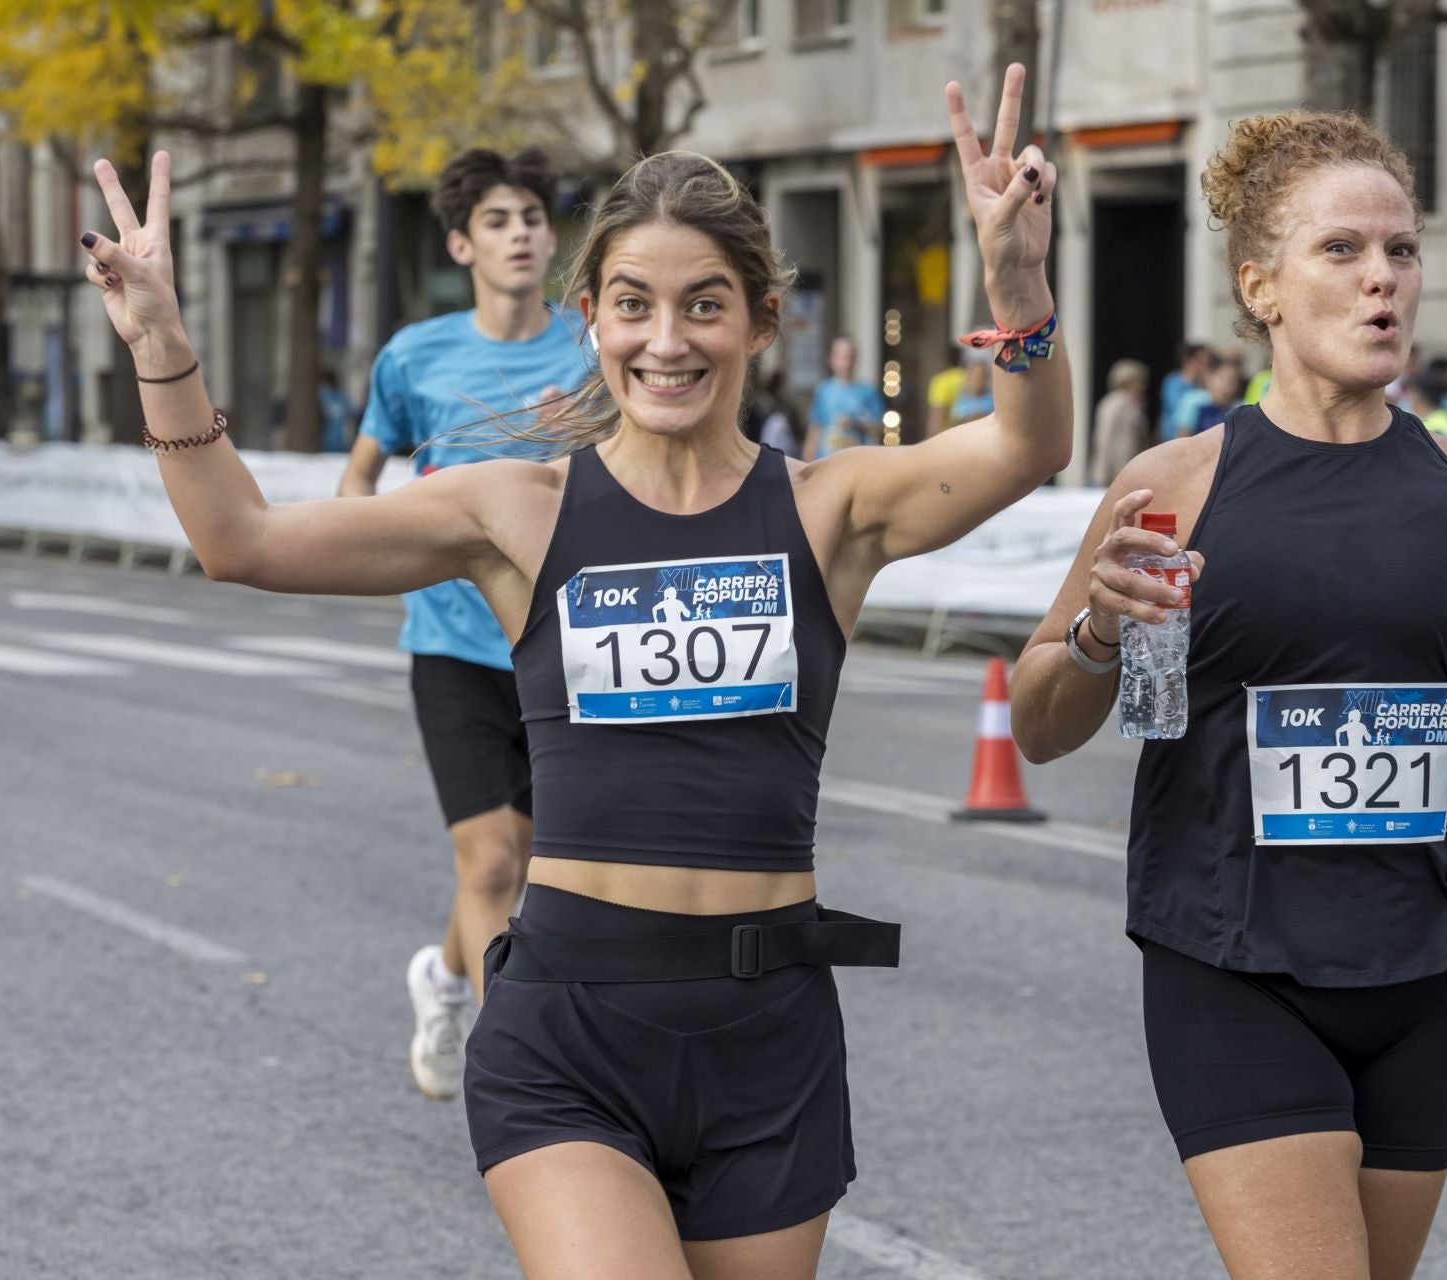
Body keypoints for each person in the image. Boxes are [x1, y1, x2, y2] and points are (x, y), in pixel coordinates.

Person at [83, 63, 1069, 1277]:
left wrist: (1016, 281)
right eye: (635, 305)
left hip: (770, 1036)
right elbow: (241, 541)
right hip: (570, 1031)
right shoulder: (518, 512)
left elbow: (1028, 443)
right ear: (589, 316)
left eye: (706, 305)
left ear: (761, 321)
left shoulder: (832, 508)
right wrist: (164, 346)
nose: (669, 339)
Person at [1006, 107, 1447, 1280]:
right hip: (1233, 964)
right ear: (1263, 288)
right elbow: (1043, 727)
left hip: (1432, 969)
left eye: (1401, 250)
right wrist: (1099, 625)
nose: (1382, 278)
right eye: (1340, 251)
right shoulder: (1174, 487)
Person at [333, 146, 590, 1102]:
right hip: (450, 643)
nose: (520, 233)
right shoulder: (416, 356)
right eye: (497, 220)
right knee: (491, 859)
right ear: (460, 243)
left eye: (531, 216)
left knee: (529, 863)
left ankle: (443, 977)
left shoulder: (591, 347)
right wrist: (385, 547)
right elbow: (360, 479)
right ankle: (514, 1081)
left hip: (560, 642)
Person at [805, 334, 885, 459]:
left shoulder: (868, 390)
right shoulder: (823, 390)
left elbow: (879, 428)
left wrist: (856, 424)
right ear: (831, 359)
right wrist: (806, 464)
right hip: (826, 463)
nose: (846, 362)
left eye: (849, 356)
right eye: (841, 356)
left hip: (856, 463)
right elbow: (814, 430)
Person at [1091, 358, 1151, 486]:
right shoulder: (1114, 402)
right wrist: (1102, 472)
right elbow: (1104, 438)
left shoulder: (1134, 404)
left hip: (1126, 469)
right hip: (1112, 472)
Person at [1161, 341, 1212, 434]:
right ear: (1188, 361)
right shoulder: (1173, 382)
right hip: (1174, 438)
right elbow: (1179, 408)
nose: (1205, 366)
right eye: (1201, 361)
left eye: (1208, 362)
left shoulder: (1203, 385)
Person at [1190, 356, 1245, 436]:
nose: (1228, 383)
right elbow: (1182, 435)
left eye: (1233, 380)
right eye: (1223, 378)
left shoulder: (1241, 409)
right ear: (1211, 379)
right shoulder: (1194, 402)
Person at [1408, 363, 1447, 437]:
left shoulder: (1430, 426)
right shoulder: (1444, 417)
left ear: (1419, 396)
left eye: (1412, 393)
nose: (1409, 398)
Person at [925, 347, 967, 439]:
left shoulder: (941, 381)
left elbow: (937, 417)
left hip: (946, 437)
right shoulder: (968, 378)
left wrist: (930, 439)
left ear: (945, 360)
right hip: (968, 435)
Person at [949, 354, 995, 427]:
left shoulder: (992, 400)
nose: (978, 382)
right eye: (975, 378)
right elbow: (955, 423)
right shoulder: (961, 401)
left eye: (982, 378)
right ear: (968, 379)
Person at [318, 368, 355, 452]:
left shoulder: (321, 396)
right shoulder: (344, 398)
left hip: (325, 442)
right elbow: (352, 415)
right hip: (342, 442)